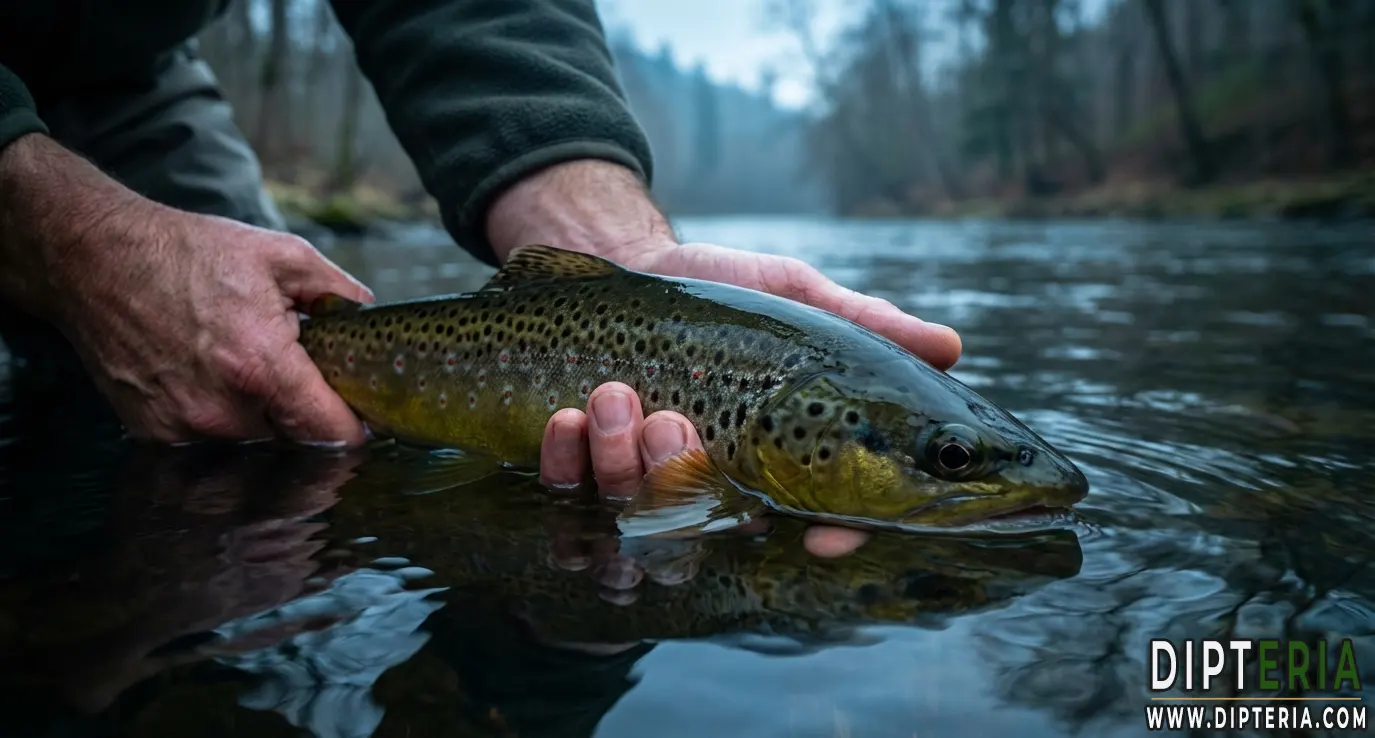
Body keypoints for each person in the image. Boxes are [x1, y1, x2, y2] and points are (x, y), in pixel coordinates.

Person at [0, 0, 961, 557]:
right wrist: (64, 239)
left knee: (246, 384)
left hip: (129, 58)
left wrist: (619, 255)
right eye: (947, 462)